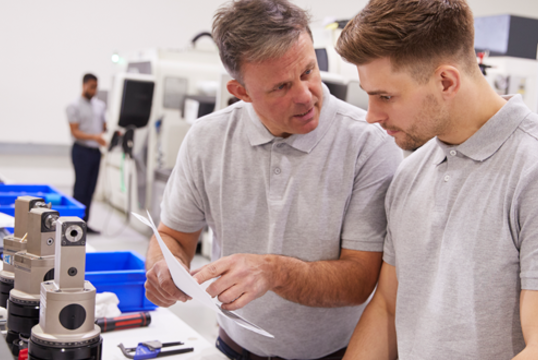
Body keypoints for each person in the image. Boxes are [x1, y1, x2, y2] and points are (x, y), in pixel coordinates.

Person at [335, 0, 538, 359]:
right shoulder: (411, 171)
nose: (371, 116)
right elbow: (389, 309)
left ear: (446, 81)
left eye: (386, 96)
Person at [143, 0, 403, 359]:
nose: (305, 96)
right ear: (242, 92)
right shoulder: (207, 139)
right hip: (233, 347)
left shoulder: (368, 143)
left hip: (335, 353)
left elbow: (359, 281)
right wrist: (165, 267)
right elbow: (173, 235)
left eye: (309, 71)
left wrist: (273, 271)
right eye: (280, 87)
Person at [67, 73, 106, 234]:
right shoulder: (73, 106)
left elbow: (104, 126)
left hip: (95, 152)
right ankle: (73, 225)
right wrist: (94, 137)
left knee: (90, 189)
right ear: (84, 85)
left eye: (96, 87)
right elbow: (75, 132)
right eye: (92, 87)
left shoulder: (100, 106)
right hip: (81, 151)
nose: (94, 90)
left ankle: (85, 222)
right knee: (80, 189)